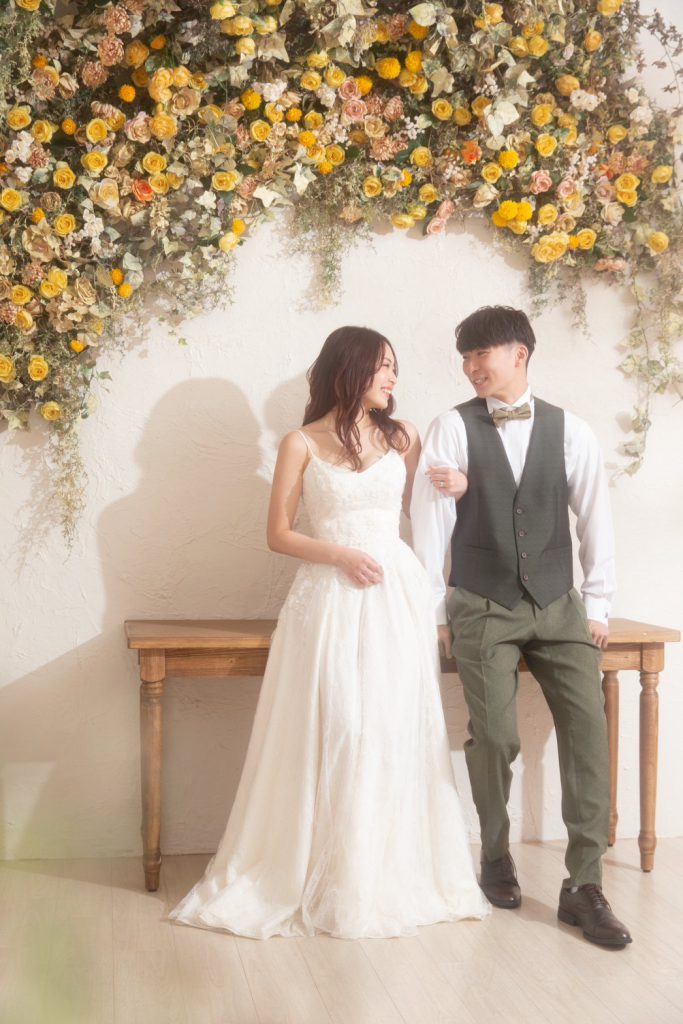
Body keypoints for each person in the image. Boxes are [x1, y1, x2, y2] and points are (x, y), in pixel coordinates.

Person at [170, 326, 489, 939]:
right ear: (351, 369)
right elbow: (279, 533)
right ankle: (326, 871)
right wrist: (339, 555)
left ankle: (381, 875)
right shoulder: (300, 443)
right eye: (383, 366)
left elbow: (431, 516)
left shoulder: (403, 436)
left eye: (395, 367)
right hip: (329, 599)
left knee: (391, 726)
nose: (393, 378)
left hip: (395, 595)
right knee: (340, 724)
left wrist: (458, 517)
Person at [411, 306, 632, 948]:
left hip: (559, 603)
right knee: (496, 737)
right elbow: (430, 523)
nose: (471, 367)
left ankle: (583, 886)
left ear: (520, 354)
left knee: (588, 731)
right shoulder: (451, 426)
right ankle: (494, 854)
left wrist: (598, 605)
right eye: (465, 357)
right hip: (482, 601)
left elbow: (594, 517)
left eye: (482, 354)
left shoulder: (572, 430)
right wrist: (435, 611)